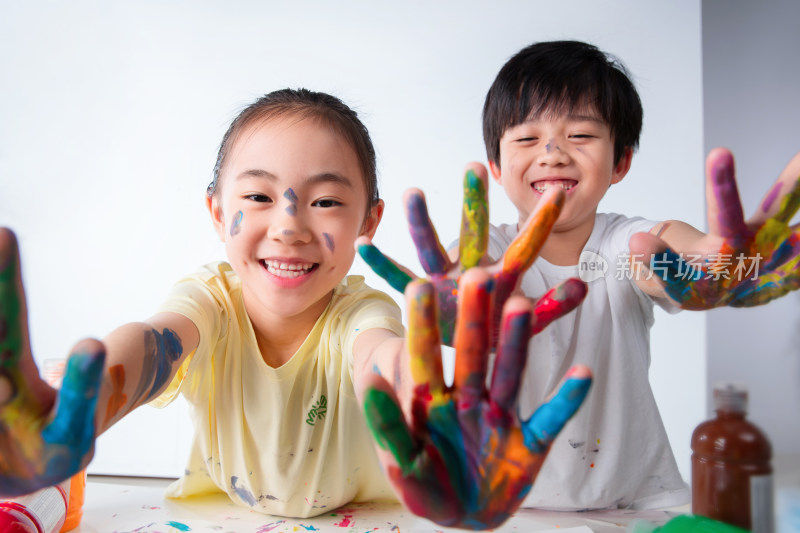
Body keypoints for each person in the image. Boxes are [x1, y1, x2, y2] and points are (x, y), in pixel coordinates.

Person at [0, 88, 595, 530]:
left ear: (369, 221)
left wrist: (430, 415)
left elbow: (382, 360)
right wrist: (86, 408)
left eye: (326, 200)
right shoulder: (211, 300)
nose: (289, 225)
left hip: (373, 518)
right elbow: (154, 344)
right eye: (258, 196)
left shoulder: (360, 311)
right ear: (216, 212)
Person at [359, 40, 800, 511]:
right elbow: (466, 282)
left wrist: (719, 264)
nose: (552, 153)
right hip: (506, 502)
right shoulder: (486, 250)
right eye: (527, 139)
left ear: (621, 162)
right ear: (496, 166)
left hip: (638, 503)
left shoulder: (624, 240)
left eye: (581, 136)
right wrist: (467, 307)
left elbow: (671, 255)